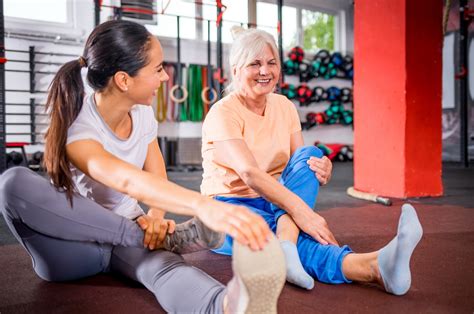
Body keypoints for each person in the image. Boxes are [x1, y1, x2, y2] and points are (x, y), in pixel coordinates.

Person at [0, 20, 287, 313]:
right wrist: (204, 206)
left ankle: (224, 305)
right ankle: (165, 240)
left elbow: (156, 176)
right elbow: (126, 180)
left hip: (132, 233)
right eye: (158, 68)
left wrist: (156, 218)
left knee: (166, 269)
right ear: (124, 80)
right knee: (12, 184)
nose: (164, 77)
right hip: (74, 247)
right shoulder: (80, 124)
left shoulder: (144, 115)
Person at [200, 26, 423, 295]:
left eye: (272, 63)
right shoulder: (223, 112)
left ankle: (287, 244)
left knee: (312, 155)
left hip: (274, 201)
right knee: (284, 234)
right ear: (236, 70)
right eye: (254, 64)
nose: (265, 71)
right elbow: (249, 173)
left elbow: (299, 162)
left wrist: (321, 168)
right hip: (226, 209)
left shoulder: (284, 106)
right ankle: (374, 267)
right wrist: (302, 213)